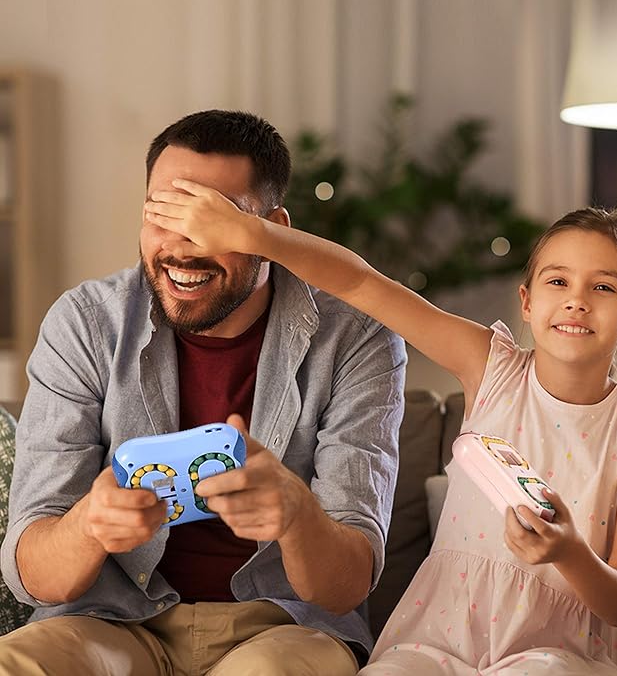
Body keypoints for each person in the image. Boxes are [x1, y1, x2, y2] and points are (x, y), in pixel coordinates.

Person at [139, 189, 617, 675]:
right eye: (557, 281)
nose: (576, 299)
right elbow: (361, 284)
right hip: (438, 636)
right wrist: (255, 237)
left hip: (559, 652)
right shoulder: (493, 368)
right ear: (528, 302)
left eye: (603, 287)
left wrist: (569, 553)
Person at [0, 110, 407, 675]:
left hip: (284, 625)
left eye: (213, 221)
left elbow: (344, 586)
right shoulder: (86, 324)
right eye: (163, 214)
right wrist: (91, 523)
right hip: (109, 621)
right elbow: (35, 574)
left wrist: (296, 514)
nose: (181, 248)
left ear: (273, 228)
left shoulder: (357, 339)